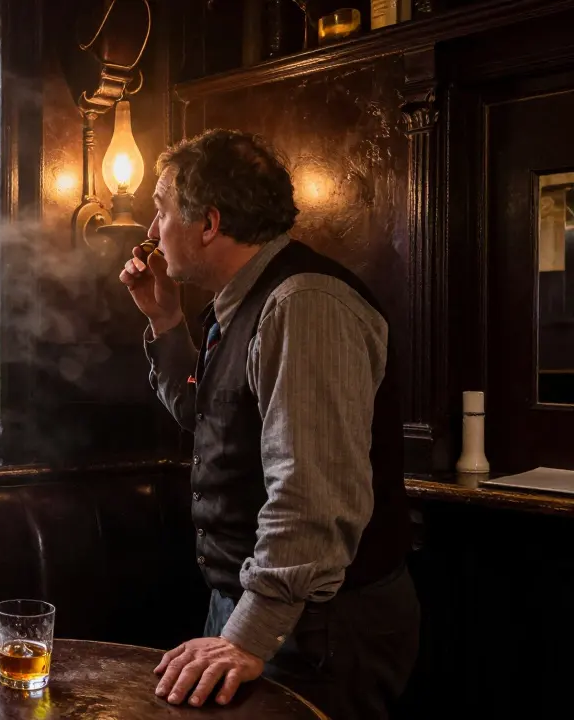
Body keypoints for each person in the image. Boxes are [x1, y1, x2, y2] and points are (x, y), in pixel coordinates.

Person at [119, 129, 418, 719]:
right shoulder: (239, 304)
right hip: (254, 608)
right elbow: (204, 416)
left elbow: (312, 500)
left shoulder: (303, 306)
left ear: (208, 222)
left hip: (316, 627)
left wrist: (247, 636)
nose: (152, 231)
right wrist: (165, 321)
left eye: (159, 209)